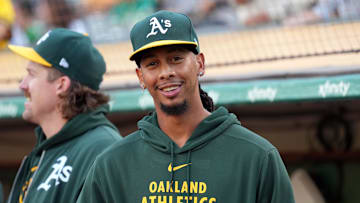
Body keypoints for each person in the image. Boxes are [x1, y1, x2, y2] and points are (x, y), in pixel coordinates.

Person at [77, 10, 294, 202]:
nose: (166, 72)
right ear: (140, 77)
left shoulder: (256, 156)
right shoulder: (112, 164)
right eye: (153, 64)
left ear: (200, 63)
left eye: (176, 59)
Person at [6, 28, 122, 203]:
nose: (23, 85)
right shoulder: (45, 149)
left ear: (61, 85)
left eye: (31, 74)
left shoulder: (103, 149)